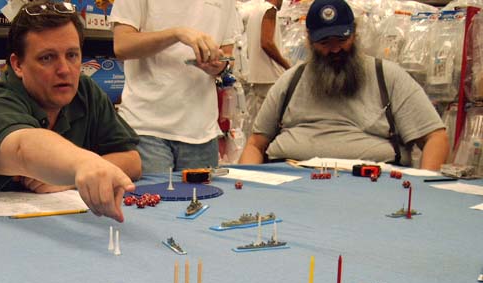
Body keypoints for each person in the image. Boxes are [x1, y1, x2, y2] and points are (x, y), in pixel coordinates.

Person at [0, 1, 141, 222]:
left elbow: (132, 160)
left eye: (72, 55)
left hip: (24, 219)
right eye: (47, 58)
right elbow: (22, 148)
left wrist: (69, 179)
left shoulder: (85, 92)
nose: (64, 70)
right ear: (17, 65)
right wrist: (80, 165)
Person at [239, 0, 449, 170]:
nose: (335, 49)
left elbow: (435, 137)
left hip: (373, 184)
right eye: (325, 43)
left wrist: (423, 189)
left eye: (341, 40)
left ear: (355, 34)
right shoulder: (290, 81)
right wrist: (246, 186)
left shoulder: (388, 77)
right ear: (309, 40)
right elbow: (256, 144)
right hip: (287, 178)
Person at [109, 0, 240, 173]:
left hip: (202, 133)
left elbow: (228, 55)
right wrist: (176, 34)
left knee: (203, 192)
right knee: (156, 191)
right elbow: (122, 45)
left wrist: (220, 65)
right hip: (146, 128)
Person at [244, 0, 291, 140]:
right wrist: (287, 66)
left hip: (258, 77)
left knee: (260, 127)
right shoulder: (270, 9)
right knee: (271, 130)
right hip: (271, 77)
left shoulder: (255, 12)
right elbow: (266, 43)